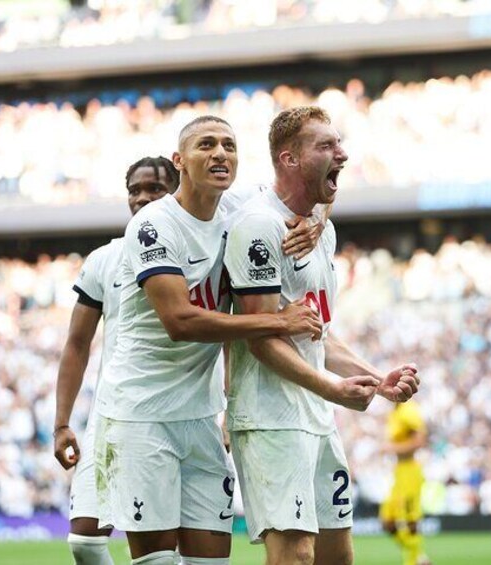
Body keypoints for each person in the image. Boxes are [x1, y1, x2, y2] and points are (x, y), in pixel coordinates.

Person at [91, 115, 327, 565]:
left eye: (229, 145)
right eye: (206, 145)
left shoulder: (238, 208)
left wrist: (315, 218)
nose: (220, 153)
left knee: (211, 562)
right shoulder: (152, 226)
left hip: (200, 417)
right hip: (141, 417)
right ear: (179, 161)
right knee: (157, 562)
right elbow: (180, 320)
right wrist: (277, 322)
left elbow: (310, 188)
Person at [224, 105, 421, 565]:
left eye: (340, 143)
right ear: (289, 159)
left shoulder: (321, 232)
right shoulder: (259, 225)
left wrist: (378, 379)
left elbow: (320, 336)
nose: (343, 154)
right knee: (295, 555)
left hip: (313, 415)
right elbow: (261, 335)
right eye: (327, 146)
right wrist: (335, 389)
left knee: (338, 555)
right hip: (271, 416)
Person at [54, 156, 179, 565]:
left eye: (154, 189)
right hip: (109, 418)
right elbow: (77, 343)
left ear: (177, 192)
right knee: (85, 543)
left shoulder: (203, 249)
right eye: (134, 190)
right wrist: (61, 423)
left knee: (160, 553)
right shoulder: (105, 259)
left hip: (173, 417)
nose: (141, 198)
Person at [379, 400, 431, 565]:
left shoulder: (409, 410)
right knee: (388, 520)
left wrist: (392, 448)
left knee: (410, 520)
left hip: (411, 470)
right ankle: (420, 557)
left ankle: (413, 560)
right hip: (399, 471)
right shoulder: (394, 412)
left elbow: (419, 441)